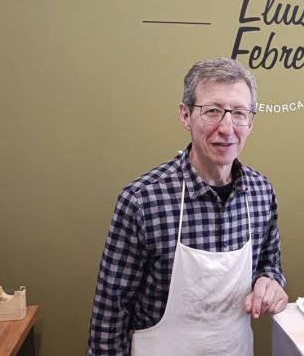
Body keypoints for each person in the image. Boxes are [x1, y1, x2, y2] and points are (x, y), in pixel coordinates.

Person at [87, 57, 287, 355]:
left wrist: (271, 282)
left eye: (239, 114)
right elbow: (110, 314)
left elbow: (271, 265)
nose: (227, 127)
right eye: (213, 111)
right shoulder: (142, 200)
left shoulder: (261, 192)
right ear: (185, 115)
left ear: (251, 122)